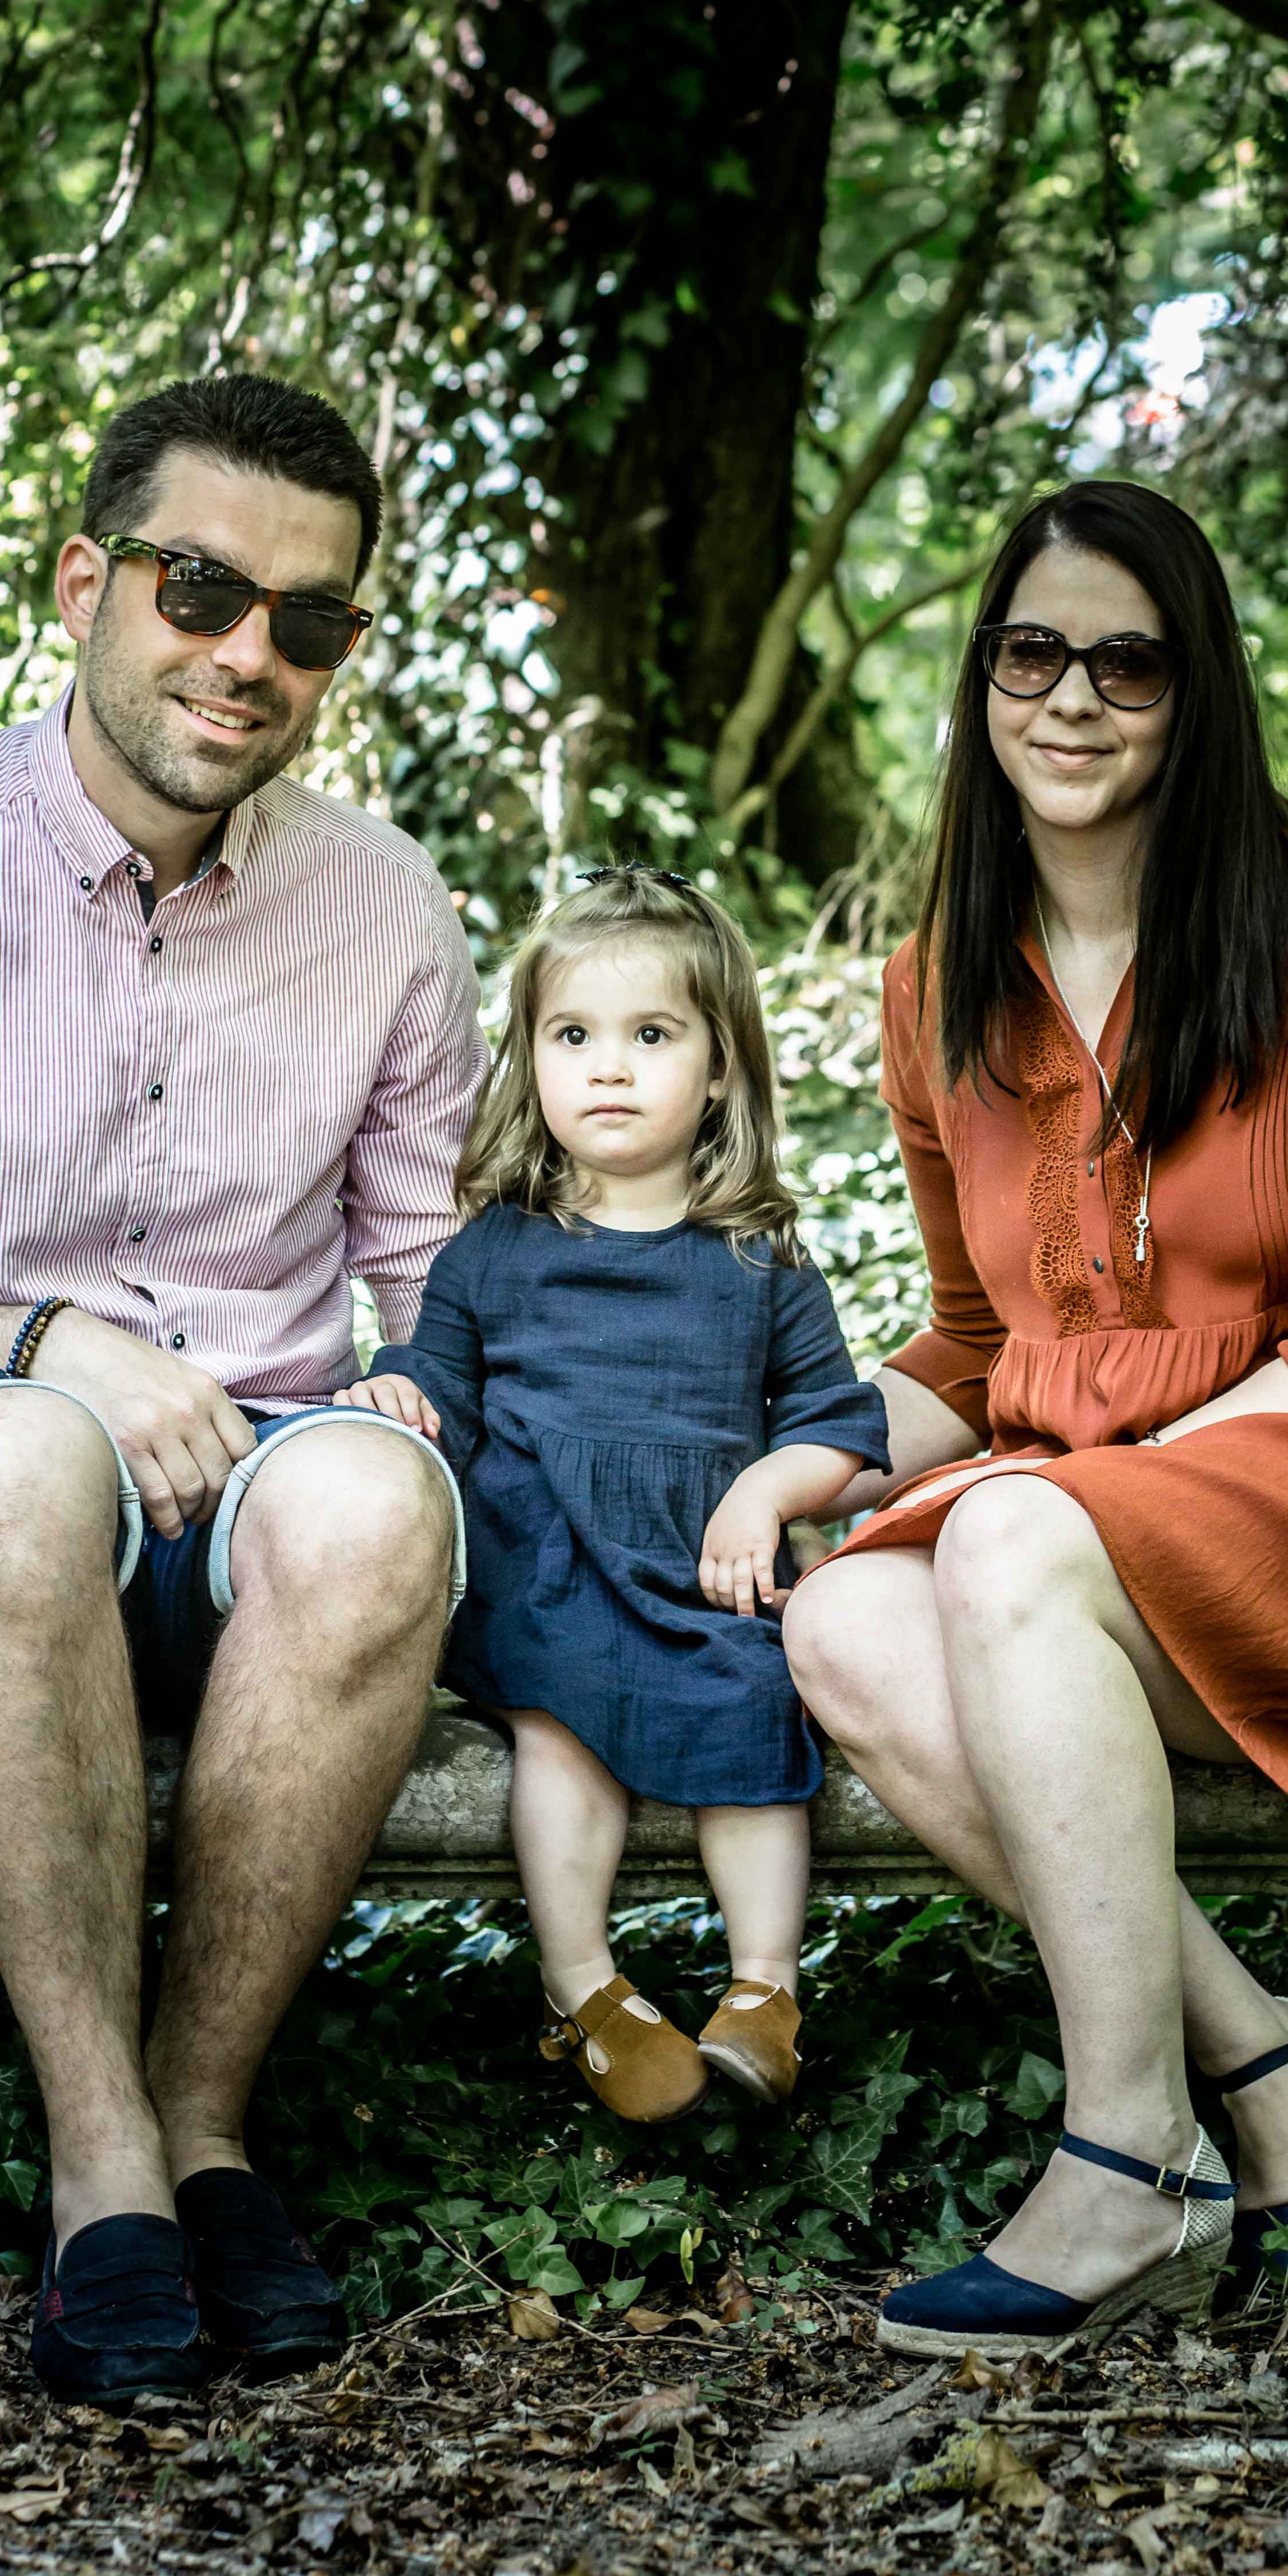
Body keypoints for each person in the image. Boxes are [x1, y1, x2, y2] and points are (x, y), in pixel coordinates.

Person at [0, 373, 486, 2410]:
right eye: (200, 588)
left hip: (251, 1520)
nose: (248, 654)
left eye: (309, 619)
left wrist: (462, 1413)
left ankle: (202, 2124)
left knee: (376, 1499)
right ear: (82, 583)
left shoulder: (385, 908)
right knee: (27, 1455)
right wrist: (42, 1340)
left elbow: (438, 1296)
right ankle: (96, 2143)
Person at [782, 481, 1288, 2359]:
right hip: (1094, 1541)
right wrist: (808, 1452)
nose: (1072, 696)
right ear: (981, 677)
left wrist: (1133, 1482)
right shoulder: (934, 987)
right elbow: (980, 1339)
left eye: (1128, 662)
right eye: (1031, 652)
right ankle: (1264, 2066)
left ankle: (1128, 2150)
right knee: (843, 1615)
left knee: (1014, 1530)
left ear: (1196, 690)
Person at [339, 867, 889, 2119]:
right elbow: (439, 1383)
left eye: (651, 1035)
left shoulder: (759, 1258)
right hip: (545, 1567)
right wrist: (395, 1388)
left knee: (757, 1709)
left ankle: (764, 1992)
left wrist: (764, 1492)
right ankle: (583, 1987)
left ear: (720, 1067)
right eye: (573, 1035)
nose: (609, 1068)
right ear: (530, 1057)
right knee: (560, 1729)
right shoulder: (495, 1246)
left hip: (701, 1568)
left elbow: (836, 1423)